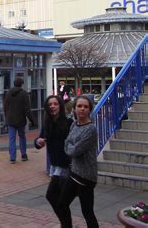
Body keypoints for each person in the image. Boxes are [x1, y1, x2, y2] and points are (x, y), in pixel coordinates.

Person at [56, 95, 99, 228]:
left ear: (89, 110)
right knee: (61, 205)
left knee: (87, 212)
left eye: (85, 107)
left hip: (86, 176)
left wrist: (70, 147)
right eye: (79, 106)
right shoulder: (74, 124)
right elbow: (67, 143)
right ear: (74, 108)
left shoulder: (91, 129)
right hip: (75, 172)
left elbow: (74, 151)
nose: (82, 109)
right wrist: (70, 147)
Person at [34, 95, 73, 224]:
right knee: (57, 199)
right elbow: (39, 139)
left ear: (60, 106)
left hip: (67, 166)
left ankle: (66, 224)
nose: (52, 106)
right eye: (50, 104)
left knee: (53, 196)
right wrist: (38, 142)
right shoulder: (47, 123)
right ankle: (66, 223)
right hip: (55, 166)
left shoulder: (68, 122)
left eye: (55, 104)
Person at [4, 77, 35, 163]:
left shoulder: (8, 93)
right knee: (22, 137)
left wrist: (6, 117)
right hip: (21, 119)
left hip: (10, 119)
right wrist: (32, 120)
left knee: (12, 138)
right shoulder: (24, 94)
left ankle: (12, 157)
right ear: (21, 84)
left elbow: (5, 106)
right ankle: (23, 155)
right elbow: (27, 109)